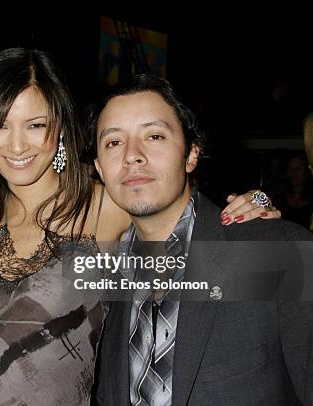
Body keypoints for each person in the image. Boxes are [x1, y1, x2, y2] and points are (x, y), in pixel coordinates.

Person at [0, 48, 273, 405]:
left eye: (35, 125)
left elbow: (183, 211)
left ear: (61, 130)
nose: (17, 144)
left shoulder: (105, 205)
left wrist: (257, 204)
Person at [92, 74, 313, 405]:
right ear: (98, 167)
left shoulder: (278, 252)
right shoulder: (102, 272)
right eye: (113, 142)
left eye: (154, 136)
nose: (132, 155)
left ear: (191, 155)